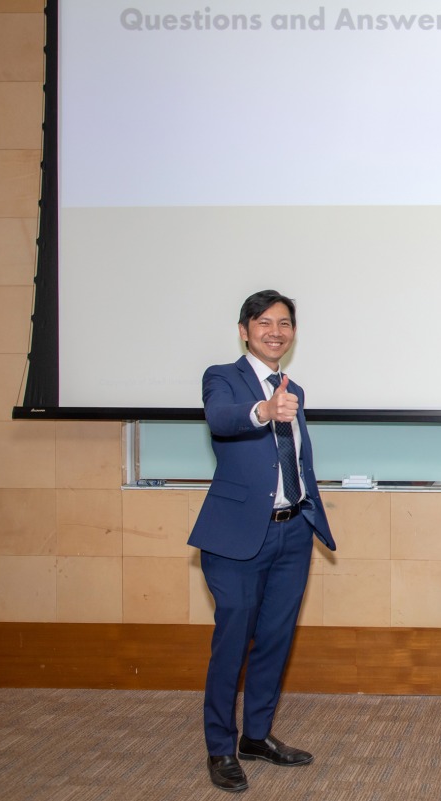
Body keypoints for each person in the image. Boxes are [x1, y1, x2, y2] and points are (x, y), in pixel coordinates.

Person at [189, 289, 335, 793]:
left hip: (292, 533)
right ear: (244, 329)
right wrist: (263, 411)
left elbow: (298, 461)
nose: (276, 331)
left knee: (275, 640)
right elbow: (221, 420)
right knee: (233, 643)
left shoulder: (294, 388)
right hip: (235, 540)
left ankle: (257, 735)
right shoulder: (223, 378)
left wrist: (310, 512)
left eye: (285, 323)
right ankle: (219, 747)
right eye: (265, 322)